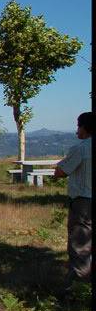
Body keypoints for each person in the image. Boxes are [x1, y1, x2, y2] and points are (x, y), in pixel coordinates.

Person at [54, 112, 92, 288]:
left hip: (83, 202)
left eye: (78, 126)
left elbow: (60, 172)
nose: (77, 130)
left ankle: (79, 285)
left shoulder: (81, 148)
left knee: (80, 242)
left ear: (84, 127)